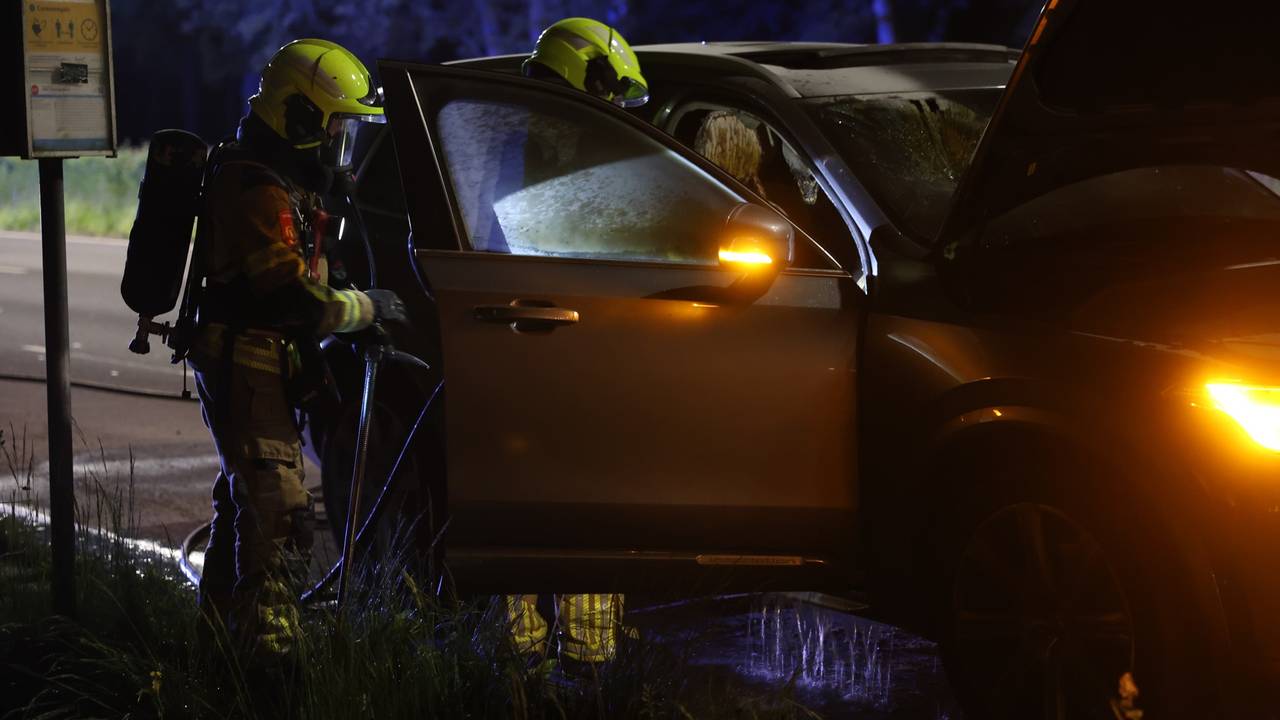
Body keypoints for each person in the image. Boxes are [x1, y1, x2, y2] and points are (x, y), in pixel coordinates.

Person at [189, 38, 405, 659]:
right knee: (280, 511)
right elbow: (292, 298)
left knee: (245, 504)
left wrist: (350, 298)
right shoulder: (254, 188)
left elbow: (314, 276)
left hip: (263, 362)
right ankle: (270, 660)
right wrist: (366, 310)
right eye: (336, 128)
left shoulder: (284, 183)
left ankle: (216, 649)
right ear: (301, 117)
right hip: (246, 362)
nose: (341, 144)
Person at [505, 17, 648, 672]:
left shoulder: (517, 142)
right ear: (581, 77)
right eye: (608, 91)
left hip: (527, 351)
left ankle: (525, 662)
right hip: (566, 350)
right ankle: (586, 664)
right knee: (585, 503)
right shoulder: (565, 154)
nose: (614, 106)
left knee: (529, 508)